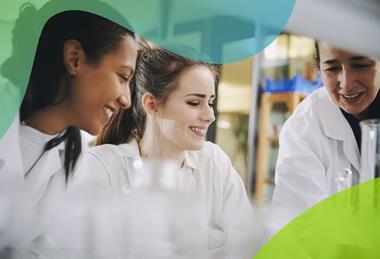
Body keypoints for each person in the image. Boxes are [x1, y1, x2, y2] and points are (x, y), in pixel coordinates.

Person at [71, 47, 255, 256]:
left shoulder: (215, 163)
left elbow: (247, 247)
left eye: (210, 102)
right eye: (194, 103)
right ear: (152, 104)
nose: (209, 115)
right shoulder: (101, 167)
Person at [0, 0, 138, 251]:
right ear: (74, 58)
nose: (126, 99)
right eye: (123, 77)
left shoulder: (73, 153)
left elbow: (39, 249)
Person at [273, 42, 380, 211]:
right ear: (318, 66)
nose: (347, 83)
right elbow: (301, 227)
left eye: (360, 65)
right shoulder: (304, 128)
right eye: (332, 69)